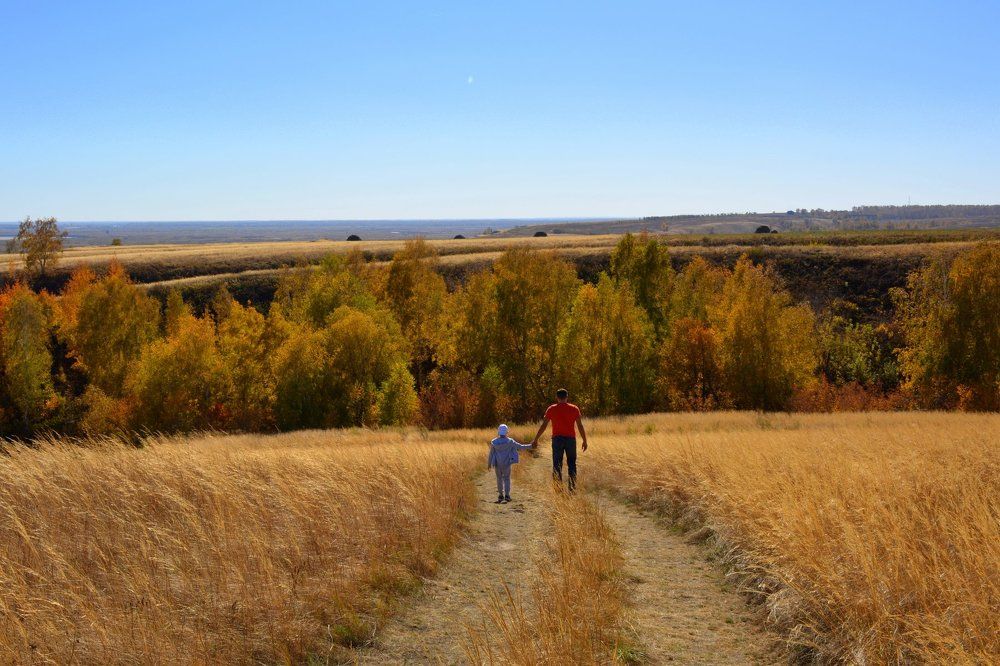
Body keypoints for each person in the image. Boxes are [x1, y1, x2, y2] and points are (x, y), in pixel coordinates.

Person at [530, 388, 587, 490]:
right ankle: (572, 488)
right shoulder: (574, 409)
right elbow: (580, 426)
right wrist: (584, 440)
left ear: (557, 397)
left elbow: (543, 425)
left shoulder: (551, 409)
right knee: (572, 463)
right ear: (567, 397)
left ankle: (558, 489)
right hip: (570, 440)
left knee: (557, 464)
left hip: (557, 440)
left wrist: (536, 439)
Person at [488, 424, 533, 504]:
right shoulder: (510, 441)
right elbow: (520, 446)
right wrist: (531, 446)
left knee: (499, 479)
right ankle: (507, 495)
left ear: (498, 431)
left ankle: (501, 495)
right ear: (506, 432)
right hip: (507, 463)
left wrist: (489, 464)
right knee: (507, 479)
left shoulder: (494, 442)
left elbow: (491, 454)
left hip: (497, 464)